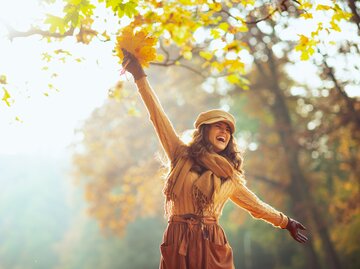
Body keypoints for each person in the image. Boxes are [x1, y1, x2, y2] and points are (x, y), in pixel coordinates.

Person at [121, 49, 308, 269]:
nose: (224, 132)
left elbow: (256, 206)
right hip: (178, 238)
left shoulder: (230, 176)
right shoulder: (180, 153)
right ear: (205, 131)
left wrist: (286, 222)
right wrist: (139, 77)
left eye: (228, 130)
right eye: (218, 126)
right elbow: (157, 116)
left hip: (212, 241)